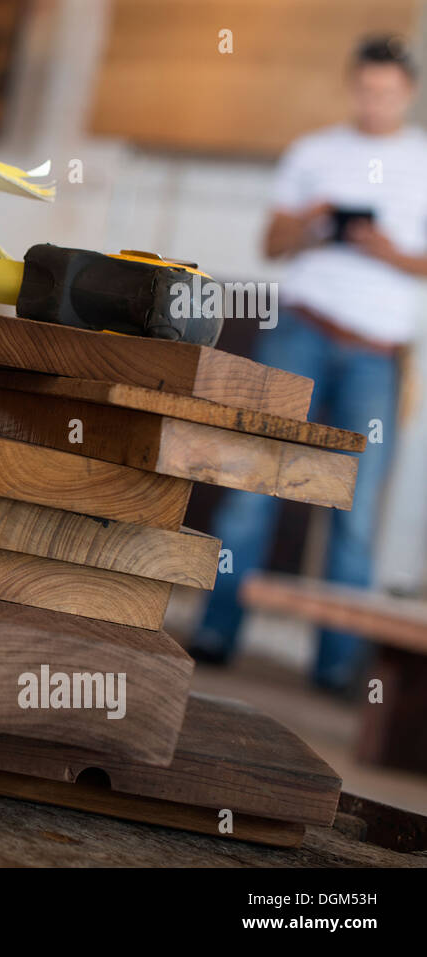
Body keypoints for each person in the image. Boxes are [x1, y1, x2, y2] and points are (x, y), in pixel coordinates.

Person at [189, 35, 427, 693]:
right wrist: (315, 222)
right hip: (301, 332)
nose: (374, 101)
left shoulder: (423, 159)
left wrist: (385, 249)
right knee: (251, 482)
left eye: (387, 93)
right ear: (353, 85)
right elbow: (271, 243)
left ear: (405, 92)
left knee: (355, 508)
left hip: (377, 354)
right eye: (365, 89)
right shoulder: (313, 153)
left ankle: (336, 668)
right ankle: (215, 628)